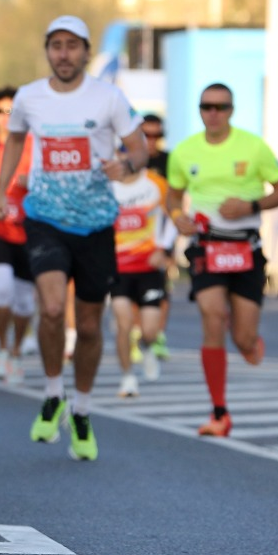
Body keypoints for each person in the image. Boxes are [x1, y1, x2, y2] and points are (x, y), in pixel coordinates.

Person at [0, 15, 145, 462]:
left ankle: (81, 408)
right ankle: (53, 391)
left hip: (95, 222)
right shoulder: (28, 97)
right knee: (54, 308)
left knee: (91, 325)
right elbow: (15, 141)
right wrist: (1, 191)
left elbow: (140, 148)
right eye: (56, 45)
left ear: (85, 51)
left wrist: (126, 165)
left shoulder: (108, 97)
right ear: (47, 51)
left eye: (72, 46)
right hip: (45, 217)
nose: (63, 54)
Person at [166, 83, 278, 437]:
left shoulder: (253, 147)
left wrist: (249, 206)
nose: (213, 113)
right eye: (207, 106)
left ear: (231, 111)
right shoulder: (184, 151)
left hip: (245, 248)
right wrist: (177, 217)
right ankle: (219, 412)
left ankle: (247, 341)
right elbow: (173, 196)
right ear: (199, 110)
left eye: (221, 107)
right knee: (212, 314)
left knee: (243, 338)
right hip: (206, 246)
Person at [0, 87, 34, 385]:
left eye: (12, 111)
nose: (6, 117)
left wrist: (32, 181)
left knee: (25, 302)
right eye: (0, 111)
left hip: (28, 232)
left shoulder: (34, 146)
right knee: (1, 290)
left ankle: (15, 351)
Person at [110, 156, 175, 398]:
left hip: (149, 268)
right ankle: (127, 378)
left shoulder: (156, 183)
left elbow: (176, 215)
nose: (124, 159)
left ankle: (146, 346)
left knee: (149, 331)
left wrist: (164, 249)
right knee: (123, 324)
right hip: (118, 268)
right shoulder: (108, 187)